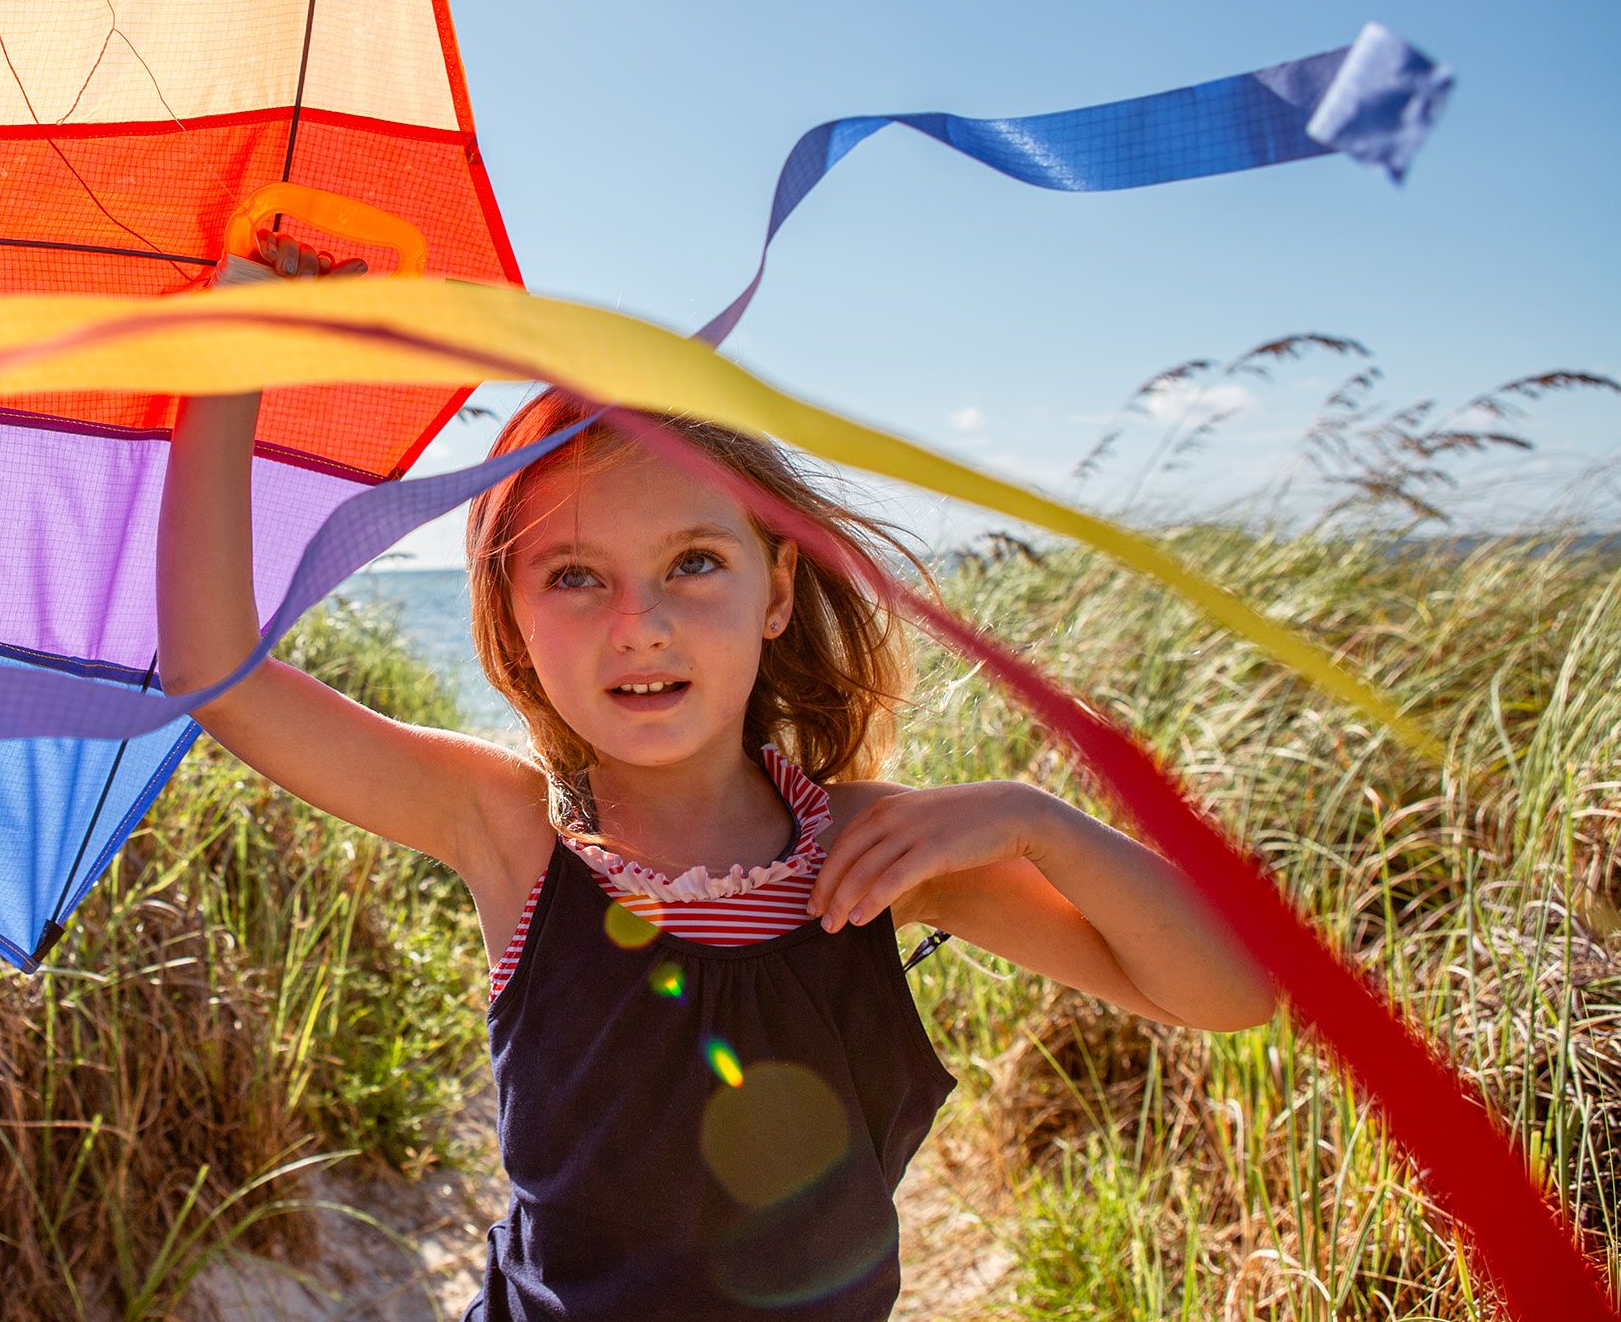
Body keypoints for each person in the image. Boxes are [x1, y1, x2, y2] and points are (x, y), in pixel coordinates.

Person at [158, 235, 1278, 1321]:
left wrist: (1039, 823)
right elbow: (218, 669)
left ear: (775, 589)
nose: (638, 625)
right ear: (509, 613)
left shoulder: (873, 852)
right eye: (575, 575)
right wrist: (233, 350)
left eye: (692, 562)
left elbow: (1232, 991)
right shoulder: (508, 830)